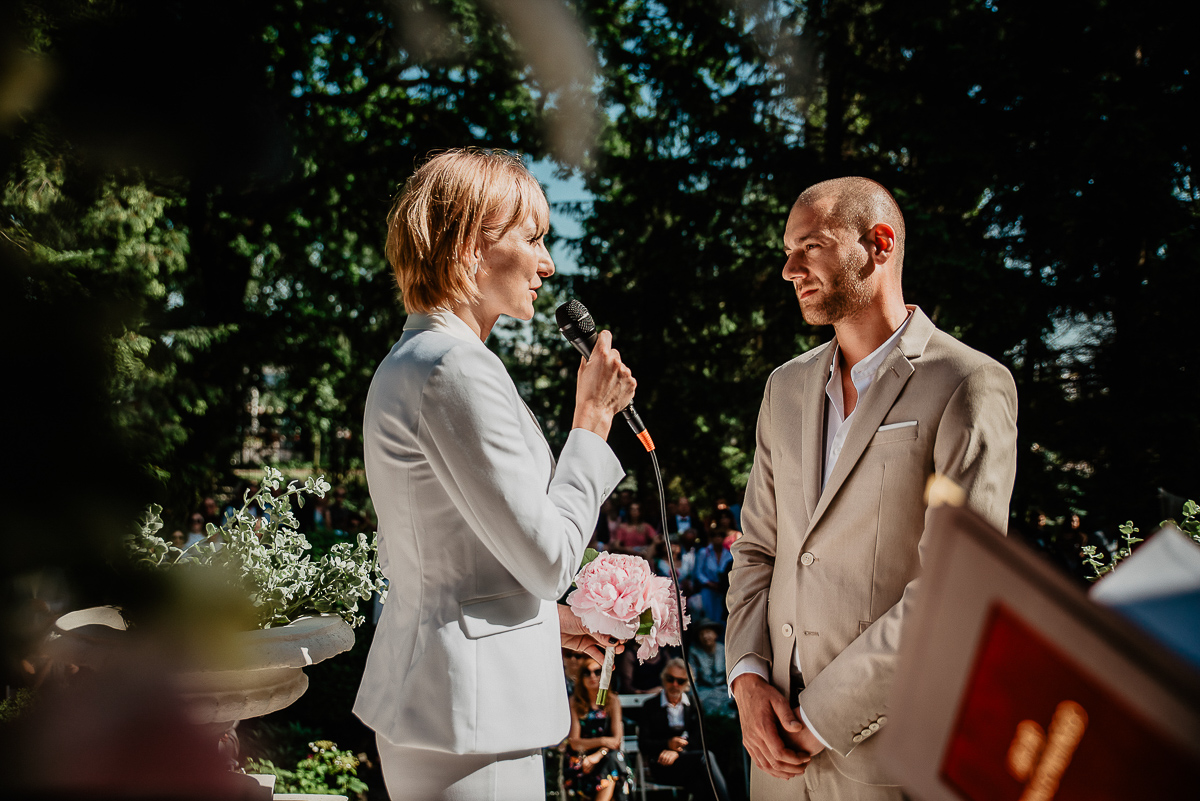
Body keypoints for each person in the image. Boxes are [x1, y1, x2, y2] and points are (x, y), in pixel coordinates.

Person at [353, 149, 637, 801]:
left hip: (456, 701)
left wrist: (548, 622)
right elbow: (550, 561)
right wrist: (591, 421)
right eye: (532, 238)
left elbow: (455, 558)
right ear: (468, 246)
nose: (547, 263)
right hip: (467, 714)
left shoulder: (422, 358)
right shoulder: (453, 368)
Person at [725, 177, 1018, 800]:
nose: (789, 269)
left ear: (879, 244)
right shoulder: (784, 388)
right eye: (788, 251)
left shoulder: (967, 383)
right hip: (772, 766)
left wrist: (820, 719)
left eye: (810, 247)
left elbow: (956, 587)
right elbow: (758, 550)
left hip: (888, 762)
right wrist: (746, 678)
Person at [637, 658, 731, 801]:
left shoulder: (694, 704)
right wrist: (667, 744)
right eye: (670, 679)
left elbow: (699, 739)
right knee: (706, 758)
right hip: (661, 764)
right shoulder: (650, 706)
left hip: (688, 761)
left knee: (699, 782)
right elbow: (643, 744)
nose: (675, 684)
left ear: (687, 684)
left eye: (680, 681)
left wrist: (677, 752)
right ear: (663, 678)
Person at [565, 658, 634, 801]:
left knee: (612, 762)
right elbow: (575, 742)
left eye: (597, 672)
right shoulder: (575, 702)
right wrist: (603, 741)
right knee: (612, 765)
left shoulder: (612, 700)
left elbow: (616, 740)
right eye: (587, 672)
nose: (592, 676)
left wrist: (599, 753)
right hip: (582, 756)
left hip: (606, 755)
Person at [687, 619, 735, 718]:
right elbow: (692, 678)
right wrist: (695, 697)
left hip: (723, 692)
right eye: (701, 634)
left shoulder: (723, 649)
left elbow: (731, 674)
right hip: (704, 692)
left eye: (708, 632)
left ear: (715, 634)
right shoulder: (694, 652)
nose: (705, 636)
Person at [693, 528, 733, 623]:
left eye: (720, 536)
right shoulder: (704, 552)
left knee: (721, 614)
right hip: (707, 588)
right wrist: (709, 583)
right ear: (711, 538)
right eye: (715, 536)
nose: (718, 538)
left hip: (722, 589)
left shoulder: (728, 554)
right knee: (709, 614)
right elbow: (698, 572)